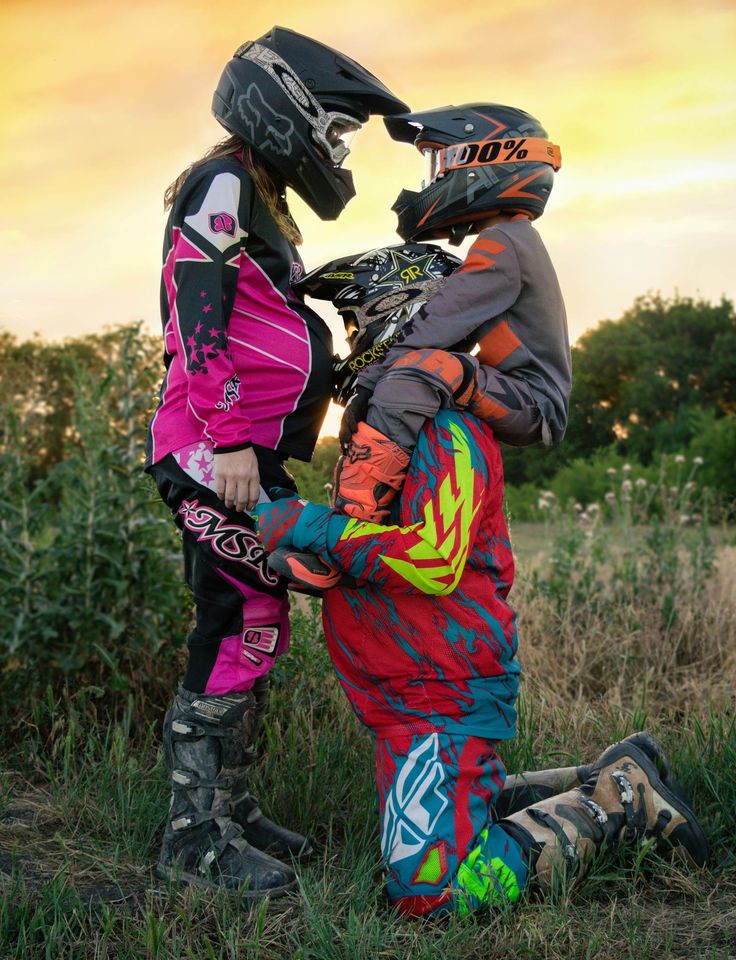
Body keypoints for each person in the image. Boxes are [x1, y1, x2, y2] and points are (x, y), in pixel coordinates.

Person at [252, 299, 709, 917]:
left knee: (431, 896)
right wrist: (315, 558)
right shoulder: (385, 438)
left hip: (443, 689)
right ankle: (602, 773)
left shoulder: (449, 432)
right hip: (404, 697)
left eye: (357, 322)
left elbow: (434, 560)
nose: (346, 344)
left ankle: (621, 799)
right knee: (437, 840)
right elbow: (375, 549)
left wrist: (311, 524)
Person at [144, 25, 408, 896]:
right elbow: (197, 308)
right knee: (233, 617)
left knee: (259, 621)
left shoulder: (259, 196)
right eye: (334, 130)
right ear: (284, 106)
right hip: (213, 448)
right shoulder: (222, 181)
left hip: (246, 453)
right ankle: (192, 840)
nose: (335, 150)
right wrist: (226, 437)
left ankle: (231, 807)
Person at [273, 103, 572, 591]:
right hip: (516, 391)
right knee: (415, 373)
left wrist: (369, 381)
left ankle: (351, 534)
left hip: (534, 401)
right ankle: (368, 524)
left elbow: (438, 322)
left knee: (419, 370)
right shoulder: (513, 241)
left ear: (487, 162)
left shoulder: (505, 242)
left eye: (439, 162)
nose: (431, 179)